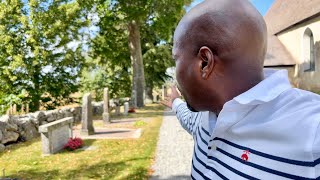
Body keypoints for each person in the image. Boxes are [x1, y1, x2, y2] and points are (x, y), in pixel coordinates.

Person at [161, 0, 320, 179]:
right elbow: (189, 119)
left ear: (205, 62)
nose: (175, 72)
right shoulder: (207, 115)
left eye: (176, 59)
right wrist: (175, 102)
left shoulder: (311, 129)